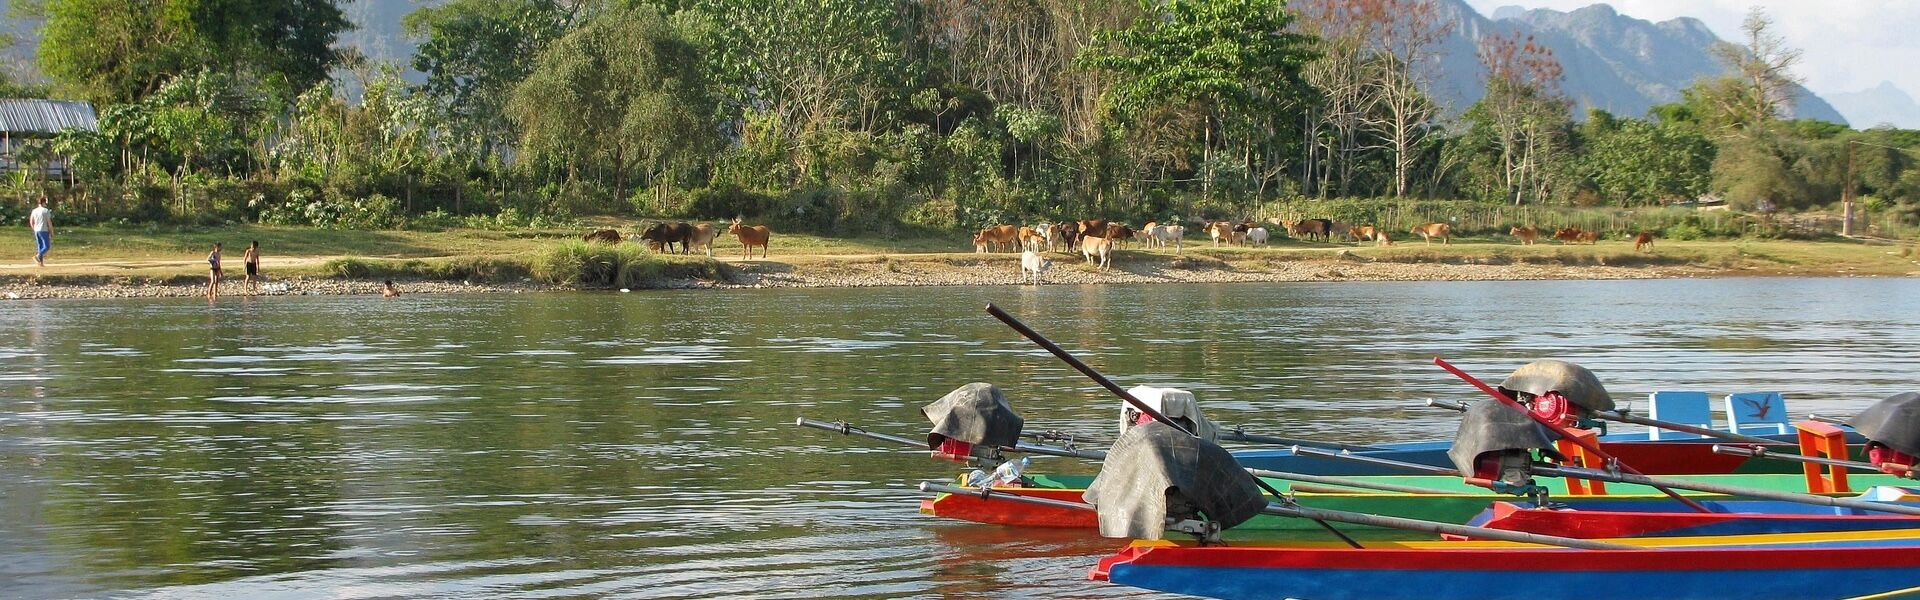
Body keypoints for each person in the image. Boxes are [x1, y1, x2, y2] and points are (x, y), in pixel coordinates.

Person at [28, 197, 52, 267]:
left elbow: (31, 221)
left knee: (40, 246)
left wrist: (34, 228)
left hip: (37, 230)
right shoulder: (45, 211)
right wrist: (51, 231)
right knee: (47, 246)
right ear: (44, 202)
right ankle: (37, 256)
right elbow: (49, 222)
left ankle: (40, 263)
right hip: (44, 230)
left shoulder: (34, 211)